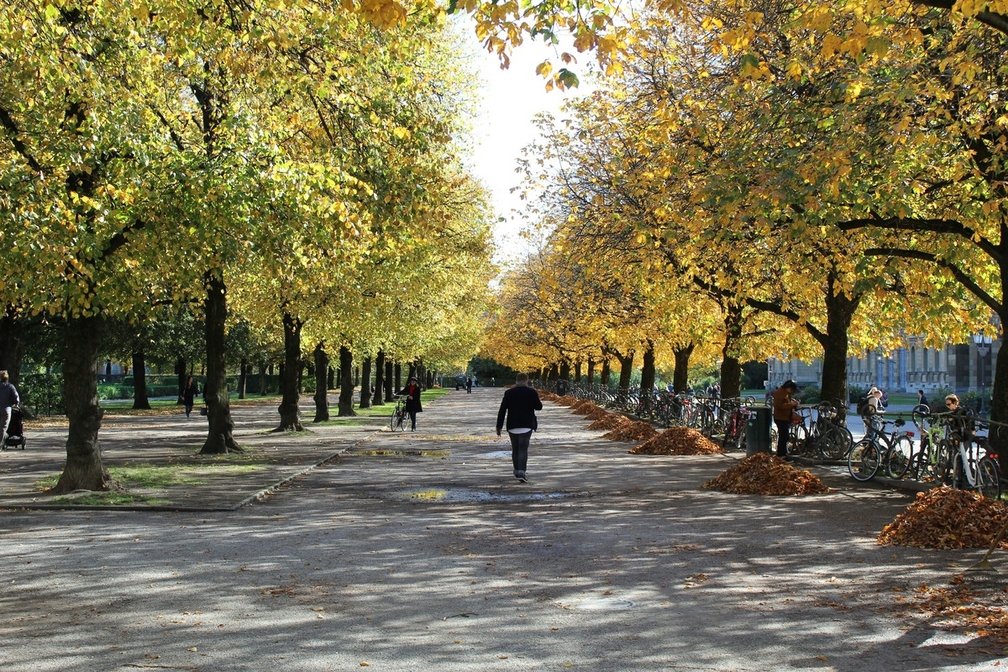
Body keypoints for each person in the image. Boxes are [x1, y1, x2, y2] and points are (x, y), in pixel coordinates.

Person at [496, 372, 543, 483]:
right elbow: (539, 407)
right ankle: (522, 471)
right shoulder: (531, 392)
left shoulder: (509, 393)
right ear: (527, 380)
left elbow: (502, 410)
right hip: (527, 425)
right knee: (523, 448)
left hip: (513, 425)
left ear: (516, 380)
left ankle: (517, 470)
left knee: (515, 448)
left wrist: (499, 426)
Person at [772, 380, 799, 460]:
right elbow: (779, 406)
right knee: (783, 436)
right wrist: (791, 404)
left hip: (784, 417)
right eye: (791, 390)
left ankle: (782, 454)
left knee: (784, 436)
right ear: (788, 387)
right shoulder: (780, 393)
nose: (791, 392)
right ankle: (781, 455)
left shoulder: (785, 392)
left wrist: (793, 404)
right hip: (780, 418)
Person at [0, 370, 19, 444]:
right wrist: (16, 404)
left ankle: (5, 436)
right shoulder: (10, 386)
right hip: (6, 409)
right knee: (3, 428)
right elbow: (15, 396)